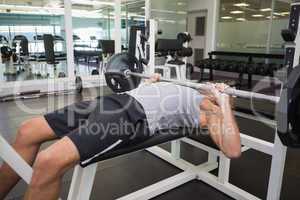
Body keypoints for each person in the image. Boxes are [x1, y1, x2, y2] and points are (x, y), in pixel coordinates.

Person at [0, 74, 241, 200]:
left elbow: (232, 150)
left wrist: (223, 102)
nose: (214, 85)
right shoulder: (189, 89)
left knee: (48, 162)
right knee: (27, 130)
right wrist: (146, 84)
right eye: (216, 84)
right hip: (111, 101)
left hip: (130, 115)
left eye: (222, 88)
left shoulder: (212, 113)